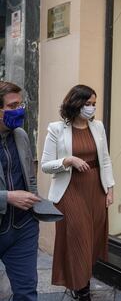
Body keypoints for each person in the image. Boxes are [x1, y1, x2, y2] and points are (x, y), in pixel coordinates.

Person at [41, 85, 115, 301]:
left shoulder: (98, 127)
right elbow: (45, 165)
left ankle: (82, 280)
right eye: (87, 104)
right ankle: (82, 290)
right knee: (78, 238)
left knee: (91, 239)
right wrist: (68, 160)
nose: (91, 108)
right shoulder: (56, 129)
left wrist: (110, 188)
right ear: (76, 103)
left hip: (95, 190)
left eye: (94, 104)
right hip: (70, 190)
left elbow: (106, 160)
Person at [0, 81, 40, 301]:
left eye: (21, 104)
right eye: (13, 106)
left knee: (26, 292)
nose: (20, 110)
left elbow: (30, 175)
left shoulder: (21, 135)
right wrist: (8, 197)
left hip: (23, 228)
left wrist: (34, 203)